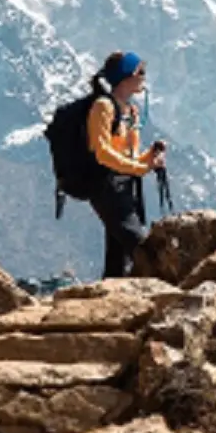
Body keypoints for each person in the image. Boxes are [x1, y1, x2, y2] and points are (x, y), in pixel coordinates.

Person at [85, 50, 165, 278]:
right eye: (141, 72)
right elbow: (102, 153)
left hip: (126, 186)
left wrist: (150, 157)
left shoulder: (132, 111)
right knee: (140, 246)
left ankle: (108, 298)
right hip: (105, 186)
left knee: (117, 254)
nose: (144, 77)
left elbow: (128, 157)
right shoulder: (103, 107)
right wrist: (139, 168)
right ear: (126, 76)